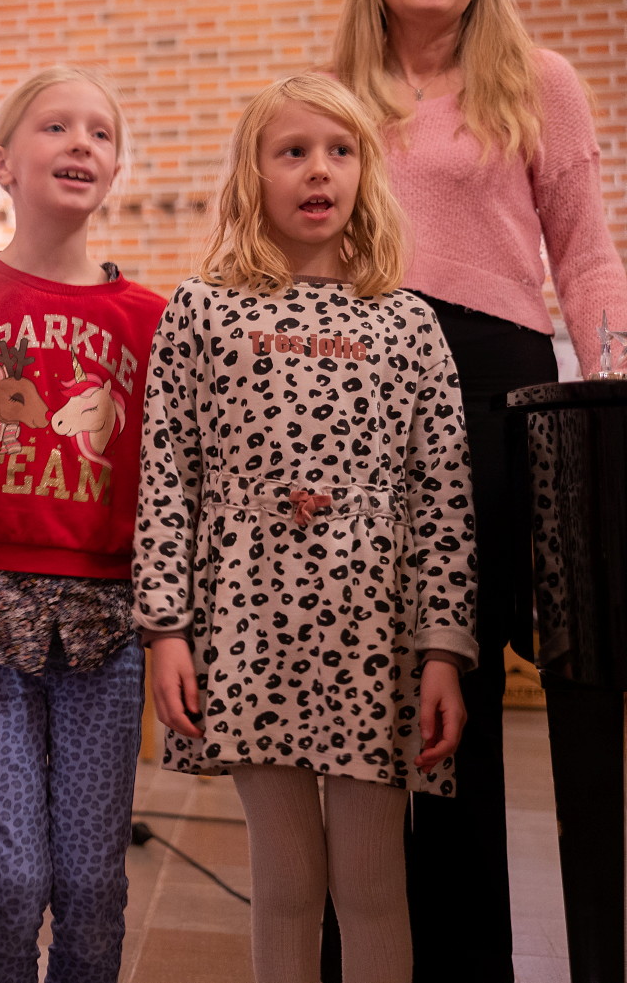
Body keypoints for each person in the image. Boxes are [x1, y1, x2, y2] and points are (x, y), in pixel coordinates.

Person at [329, 0, 627, 983]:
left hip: (493, 379)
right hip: (359, 383)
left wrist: (610, 387)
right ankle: (359, 950)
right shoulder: (336, 92)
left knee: (465, 673)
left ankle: (465, 961)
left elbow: (585, 253)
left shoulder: (538, 80)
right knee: (361, 662)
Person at [135, 74, 475, 983]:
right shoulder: (201, 311)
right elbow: (167, 480)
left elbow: (442, 497)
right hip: (248, 628)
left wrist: (444, 648)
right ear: (253, 173)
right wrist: (166, 629)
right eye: (293, 152)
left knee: (372, 883)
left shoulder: (409, 323)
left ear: (367, 171)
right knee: (285, 881)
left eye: (340, 151)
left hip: (375, 636)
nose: (319, 170)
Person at [0, 68, 166, 983]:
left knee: (92, 882)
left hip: (110, 621)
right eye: (56, 126)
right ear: (2, 163)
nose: (81, 142)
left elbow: (174, 489)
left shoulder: (153, 320)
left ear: (117, 167)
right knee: (12, 878)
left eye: (101, 131)